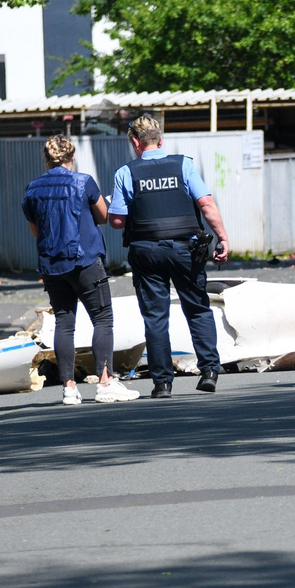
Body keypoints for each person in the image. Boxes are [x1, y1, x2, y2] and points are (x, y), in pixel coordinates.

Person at [107, 115, 230, 398]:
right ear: (160, 140)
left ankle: (162, 383)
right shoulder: (183, 164)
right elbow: (206, 203)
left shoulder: (126, 172)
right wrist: (222, 237)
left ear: (136, 142)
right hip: (186, 250)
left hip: (146, 251)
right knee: (198, 307)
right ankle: (210, 370)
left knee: (155, 316)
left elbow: (116, 221)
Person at [22, 135, 141, 405]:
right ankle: (106, 382)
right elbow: (104, 216)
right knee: (102, 319)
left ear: (46, 158)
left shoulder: (32, 189)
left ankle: (68, 388)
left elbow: (35, 231)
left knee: (64, 323)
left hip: (52, 265)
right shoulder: (83, 181)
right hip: (85, 260)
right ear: (72, 156)